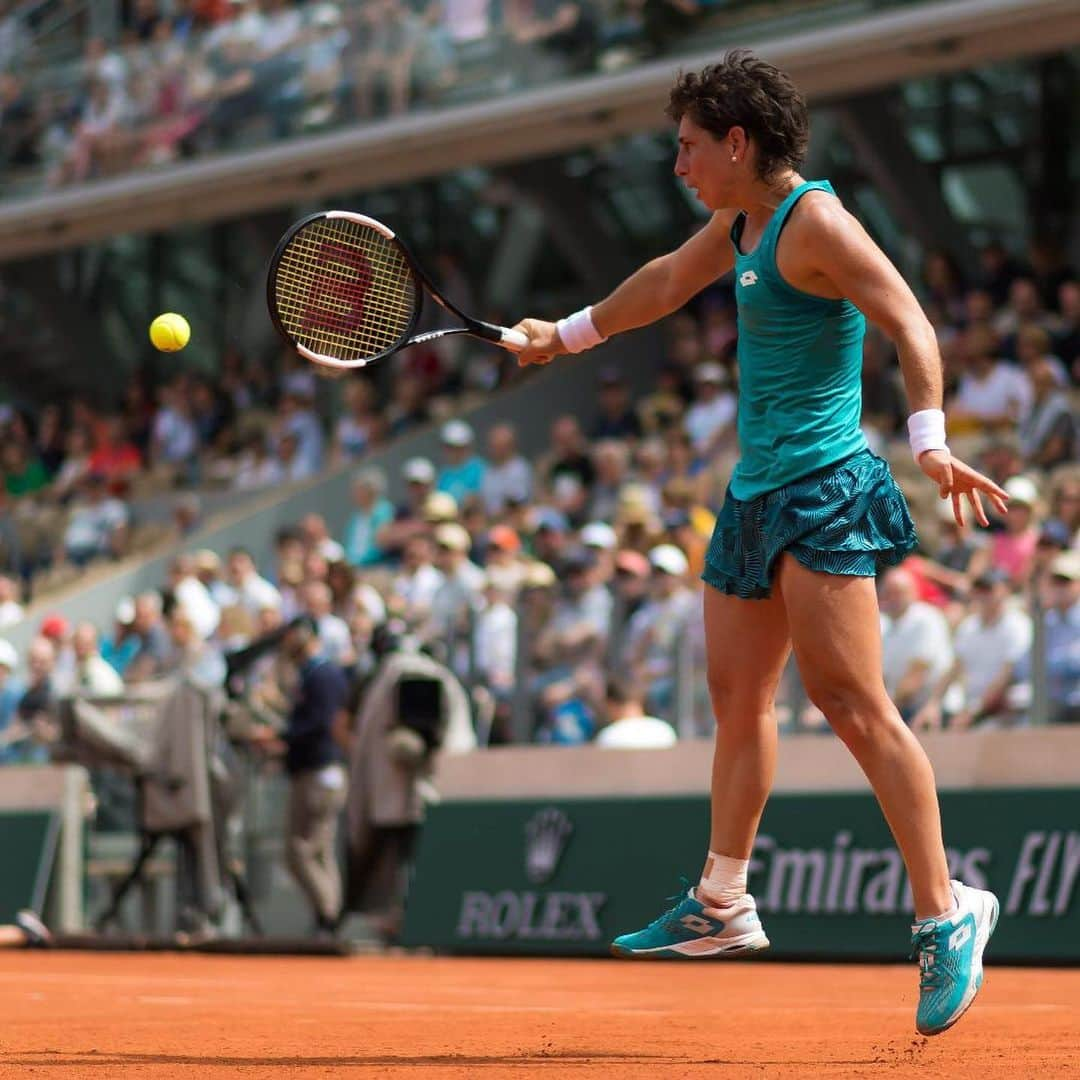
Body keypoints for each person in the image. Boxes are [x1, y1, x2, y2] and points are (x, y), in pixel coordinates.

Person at [510, 50, 1009, 1036]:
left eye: (690, 147)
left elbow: (907, 319)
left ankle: (948, 912)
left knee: (853, 704)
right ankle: (724, 902)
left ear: (738, 143)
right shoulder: (736, 222)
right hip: (753, 496)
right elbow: (661, 284)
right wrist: (560, 336)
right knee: (739, 703)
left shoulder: (815, 220)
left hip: (824, 490)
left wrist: (932, 440)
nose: (680, 164)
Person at [250, 616, 349, 938]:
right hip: (319, 770)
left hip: (318, 772)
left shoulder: (322, 674)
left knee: (301, 850)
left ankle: (329, 916)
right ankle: (328, 917)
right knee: (318, 850)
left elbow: (319, 724)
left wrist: (280, 734)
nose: (286, 641)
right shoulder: (313, 674)